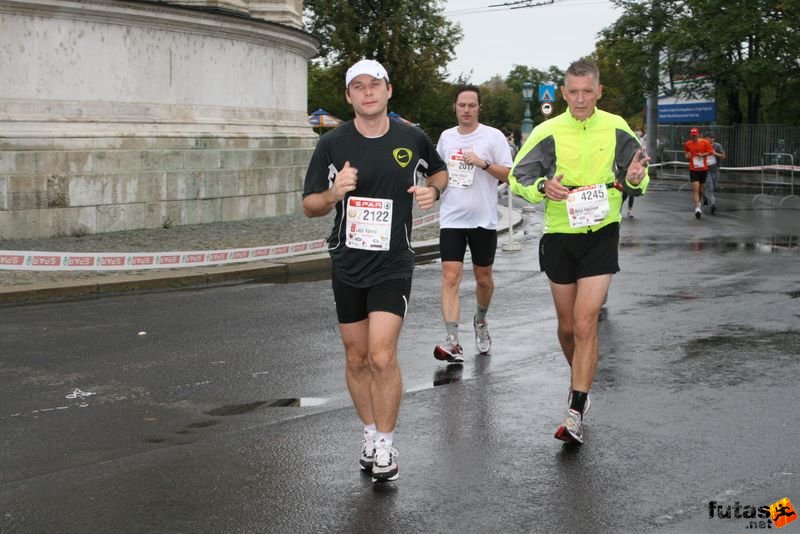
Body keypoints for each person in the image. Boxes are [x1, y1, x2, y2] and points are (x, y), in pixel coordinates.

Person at [302, 59, 448, 482]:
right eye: (358, 87)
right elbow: (309, 205)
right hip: (348, 261)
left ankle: (385, 443)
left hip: (393, 262)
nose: (368, 92)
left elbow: (438, 171)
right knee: (356, 356)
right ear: (349, 96)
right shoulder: (332, 144)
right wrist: (333, 193)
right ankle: (368, 433)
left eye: (375, 85)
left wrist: (432, 190)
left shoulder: (411, 137)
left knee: (382, 355)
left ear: (388, 91)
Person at [508, 58, 649, 444]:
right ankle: (580, 379)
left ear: (599, 91)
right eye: (574, 92)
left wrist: (635, 179)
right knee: (568, 327)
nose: (581, 98)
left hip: (602, 231)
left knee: (587, 323)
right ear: (564, 92)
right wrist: (541, 188)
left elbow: (637, 175)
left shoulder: (616, 127)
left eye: (588, 91)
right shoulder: (548, 131)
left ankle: (576, 408)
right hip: (559, 234)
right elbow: (516, 177)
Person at [432, 85, 512, 362]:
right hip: (452, 217)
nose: (466, 110)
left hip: (483, 219)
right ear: (454, 107)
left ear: (479, 108)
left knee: (483, 278)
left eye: (471, 105)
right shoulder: (446, 137)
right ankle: (452, 340)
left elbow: (510, 175)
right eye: (461, 105)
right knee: (450, 276)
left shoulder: (493, 136)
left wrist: (483, 163)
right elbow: (437, 172)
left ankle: (480, 321)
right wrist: (431, 188)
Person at [683, 127, 713, 219]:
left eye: (695, 135)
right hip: (693, 169)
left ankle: (699, 202)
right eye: (692, 135)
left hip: (703, 169)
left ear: (698, 134)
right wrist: (687, 156)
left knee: (701, 189)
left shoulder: (705, 142)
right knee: (695, 189)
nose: (694, 137)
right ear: (690, 135)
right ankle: (697, 208)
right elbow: (686, 153)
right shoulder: (687, 144)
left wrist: (702, 155)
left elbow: (711, 152)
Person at [704, 132, 726, 214]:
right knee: (709, 186)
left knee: (714, 187)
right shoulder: (703, 145)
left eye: (713, 137)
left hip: (715, 169)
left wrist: (715, 153)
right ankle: (712, 204)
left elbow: (723, 156)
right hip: (706, 170)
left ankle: (705, 198)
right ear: (706, 138)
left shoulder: (717, 146)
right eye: (710, 137)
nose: (712, 139)